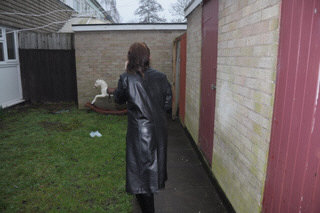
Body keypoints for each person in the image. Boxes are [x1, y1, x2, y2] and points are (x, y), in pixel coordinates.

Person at [107, 42, 172, 213]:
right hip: (158, 133)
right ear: (148, 57)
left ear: (130, 58)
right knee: (148, 173)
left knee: (142, 176)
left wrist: (125, 72)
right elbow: (167, 104)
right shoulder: (161, 77)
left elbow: (119, 100)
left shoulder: (126, 78)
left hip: (139, 134)